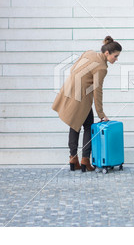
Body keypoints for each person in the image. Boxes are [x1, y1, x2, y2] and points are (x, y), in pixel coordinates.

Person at [52, 36, 122, 172]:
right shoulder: (102, 68)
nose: (116, 59)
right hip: (81, 97)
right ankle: (85, 160)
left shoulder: (89, 52)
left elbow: (73, 69)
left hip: (69, 91)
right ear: (107, 53)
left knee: (74, 125)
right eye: (115, 56)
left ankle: (73, 159)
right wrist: (101, 114)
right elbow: (98, 91)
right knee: (89, 126)